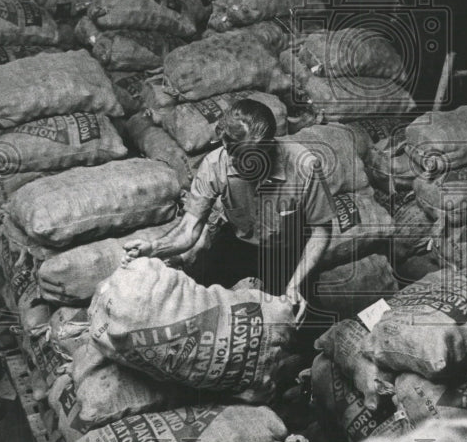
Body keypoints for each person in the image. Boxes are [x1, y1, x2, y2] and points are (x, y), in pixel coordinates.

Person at [123, 98, 334, 320]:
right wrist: (153, 248)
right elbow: (189, 228)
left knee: (302, 321)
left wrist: (294, 285)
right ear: (225, 144)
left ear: (269, 146)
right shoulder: (215, 164)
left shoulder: (304, 166)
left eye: (250, 157)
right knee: (194, 303)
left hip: (287, 252)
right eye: (235, 155)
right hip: (237, 243)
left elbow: (322, 231)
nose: (240, 164)